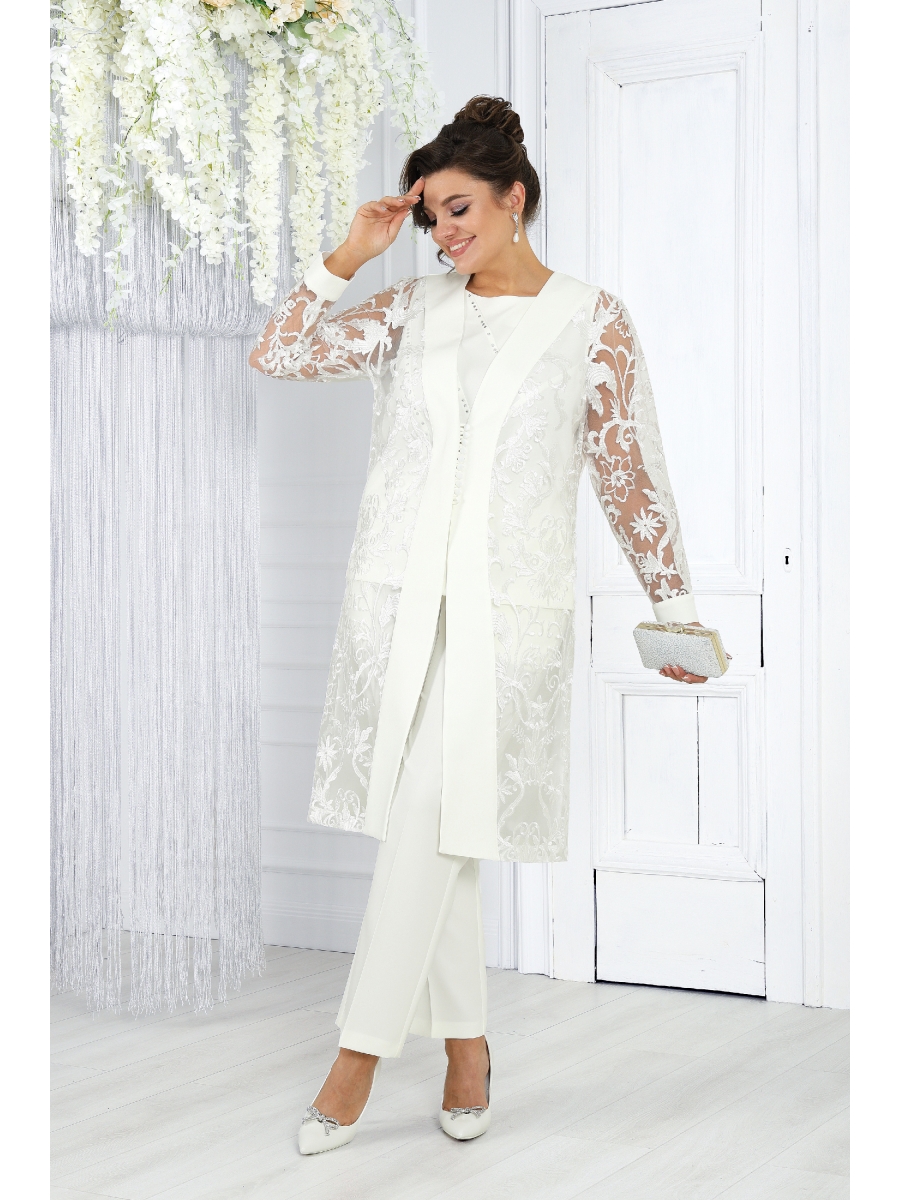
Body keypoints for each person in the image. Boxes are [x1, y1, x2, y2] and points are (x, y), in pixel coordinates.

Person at [250, 95, 707, 1155]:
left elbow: (628, 467)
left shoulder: (591, 320)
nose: (444, 232)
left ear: (516, 197)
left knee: (427, 812)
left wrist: (674, 608)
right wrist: (350, 255)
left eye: (459, 208)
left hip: (509, 613)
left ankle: (358, 1056)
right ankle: (467, 1049)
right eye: (430, 218)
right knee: (442, 827)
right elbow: (279, 352)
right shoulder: (411, 308)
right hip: (400, 605)